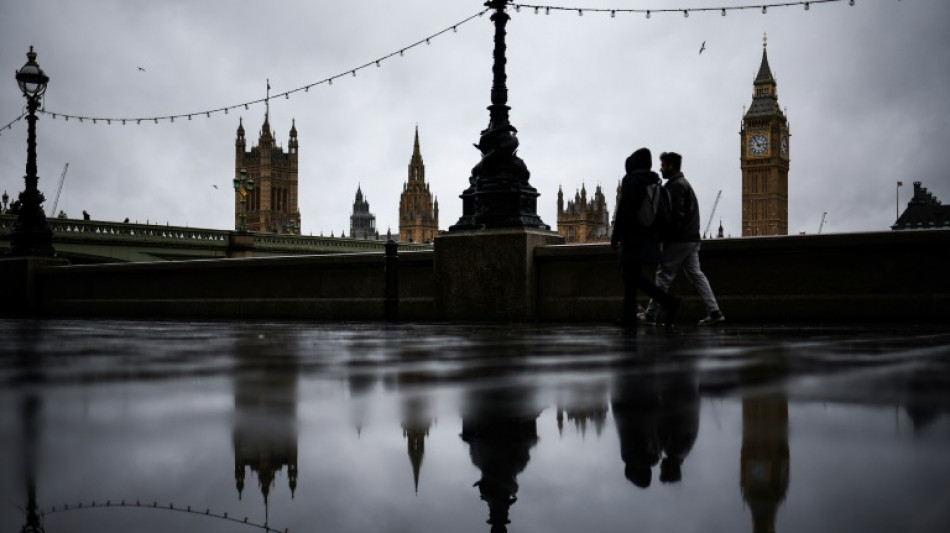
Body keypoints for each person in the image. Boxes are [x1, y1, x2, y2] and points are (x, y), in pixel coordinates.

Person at [640, 152, 725, 326]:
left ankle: (650, 315)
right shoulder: (683, 183)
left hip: (679, 240)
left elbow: (675, 217)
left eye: (663, 165)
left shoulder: (676, 186)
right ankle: (714, 311)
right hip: (692, 239)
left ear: (671, 166)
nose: (660, 169)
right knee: (697, 275)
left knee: (663, 276)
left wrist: (665, 238)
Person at [611, 148, 680, 326]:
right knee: (631, 277)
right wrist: (658, 237)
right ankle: (629, 317)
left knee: (633, 277)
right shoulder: (654, 182)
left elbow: (624, 210)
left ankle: (669, 302)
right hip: (648, 238)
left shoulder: (631, 180)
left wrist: (616, 235)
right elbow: (664, 214)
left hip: (632, 237)